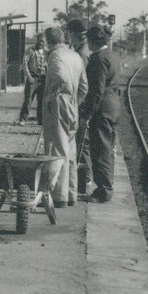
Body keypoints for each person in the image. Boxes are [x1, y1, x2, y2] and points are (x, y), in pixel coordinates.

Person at [42, 26, 88, 206]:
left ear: (48, 40)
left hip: (58, 102)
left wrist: (51, 97)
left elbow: (59, 75)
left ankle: (58, 196)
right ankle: (71, 193)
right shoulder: (75, 55)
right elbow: (84, 86)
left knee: (56, 148)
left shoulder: (56, 55)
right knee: (70, 149)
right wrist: (74, 101)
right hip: (73, 104)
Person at [80, 25, 120, 203]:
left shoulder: (98, 59)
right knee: (107, 148)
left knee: (100, 150)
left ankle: (103, 191)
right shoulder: (112, 55)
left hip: (101, 109)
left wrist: (87, 115)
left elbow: (96, 91)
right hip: (112, 106)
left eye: (88, 40)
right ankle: (105, 187)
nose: (87, 43)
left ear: (93, 40)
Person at [66, 19, 93, 193]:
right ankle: (84, 180)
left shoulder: (82, 52)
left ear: (73, 33)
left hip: (81, 103)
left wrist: (76, 105)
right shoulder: (80, 48)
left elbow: (83, 83)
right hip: (83, 102)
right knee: (81, 141)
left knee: (82, 142)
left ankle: (85, 181)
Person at [18, 33, 47, 124]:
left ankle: (41, 120)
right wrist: (29, 77)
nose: (41, 43)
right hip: (33, 77)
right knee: (28, 99)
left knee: (42, 100)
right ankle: (23, 118)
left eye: (43, 41)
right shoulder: (30, 50)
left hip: (43, 78)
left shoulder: (47, 52)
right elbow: (24, 64)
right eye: (39, 41)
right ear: (36, 40)